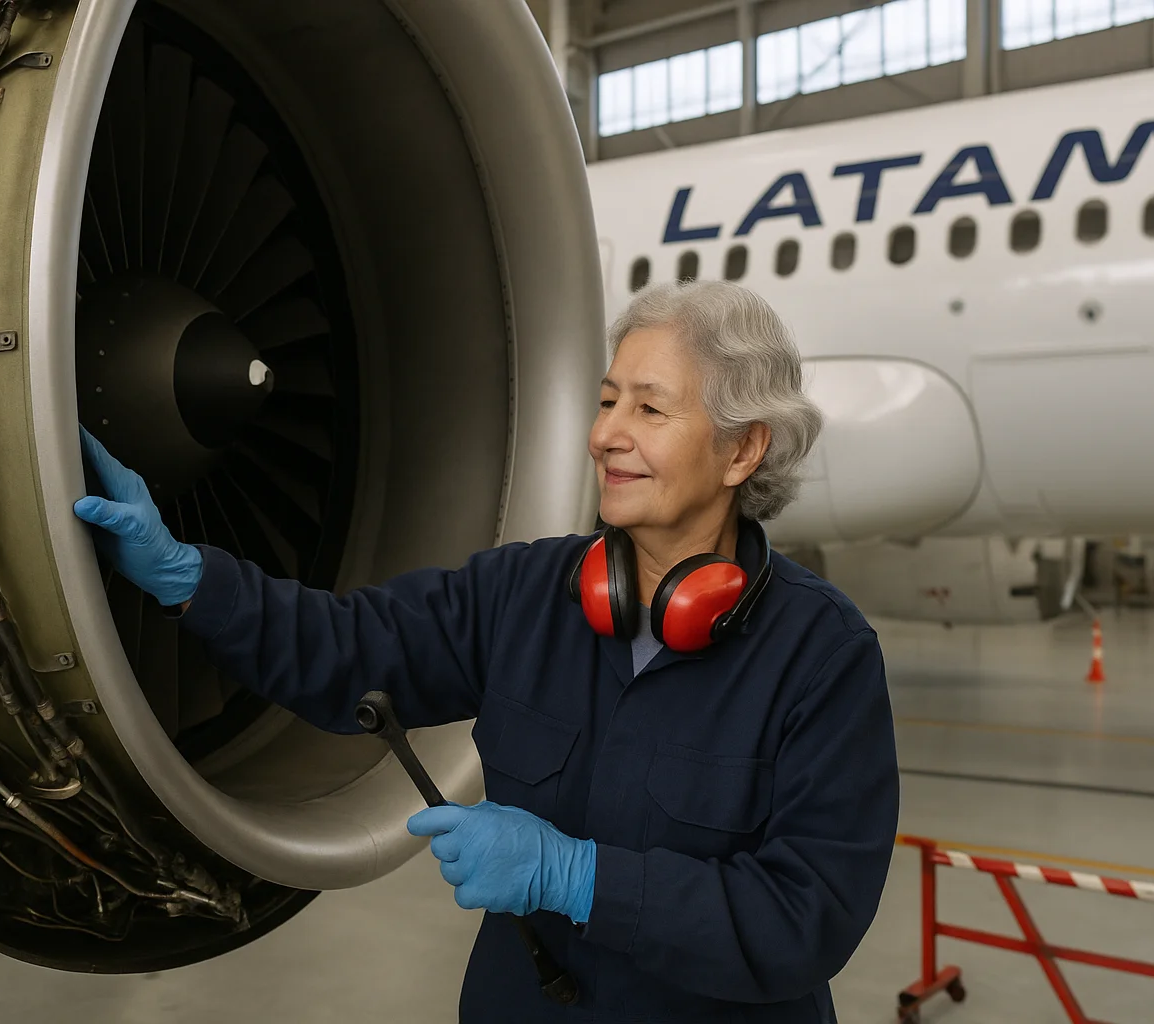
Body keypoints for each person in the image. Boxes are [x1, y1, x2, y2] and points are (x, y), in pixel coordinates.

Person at [74, 280, 899, 1023]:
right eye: (606, 401)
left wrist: (576, 878)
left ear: (743, 450)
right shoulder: (524, 593)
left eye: (649, 410)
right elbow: (347, 648)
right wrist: (188, 575)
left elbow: (804, 920)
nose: (605, 435)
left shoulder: (822, 654)